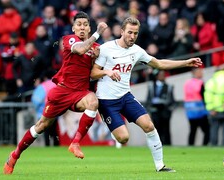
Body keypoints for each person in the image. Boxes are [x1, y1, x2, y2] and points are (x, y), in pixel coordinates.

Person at [90, 16, 202, 172]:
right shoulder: (106, 48)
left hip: (125, 96)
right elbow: (93, 73)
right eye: (129, 32)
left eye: (135, 33)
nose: (132, 36)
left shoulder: (137, 51)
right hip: (107, 100)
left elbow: (159, 63)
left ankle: (160, 165)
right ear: (122, 31)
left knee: (149, 125)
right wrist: (107, 72)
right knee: (123, 138)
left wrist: (185, 62)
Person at [3, 11, 108, 175]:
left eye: (85, 25)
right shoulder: (69, 39)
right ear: (73, 28)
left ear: (88, 28)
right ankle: (15, 155)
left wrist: (98, 61)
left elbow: (94, 72)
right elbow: (80, 50)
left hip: (80, 92)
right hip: (61, 92)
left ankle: (75, 143)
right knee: (41, 126)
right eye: (79, 24)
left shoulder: (97, 48)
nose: (82, 27)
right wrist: (98, 33)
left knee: (93, 101)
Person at [145, 70, 176, 145]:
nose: (162, 76)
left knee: (166, 130)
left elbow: (172, 100)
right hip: (155, 111)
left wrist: (169, 110)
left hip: (165, 111)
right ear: (157, 76)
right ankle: (157, 145)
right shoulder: (152, 87)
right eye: (160, 75)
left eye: (163, 75)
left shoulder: (169, 87)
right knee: (156, 130)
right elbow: (148, 99)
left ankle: (167, 145)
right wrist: (149, 110)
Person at [31, 68, 59, 146]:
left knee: (45, 130)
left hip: (43, 112)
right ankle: (56, 145)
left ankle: (47, 145)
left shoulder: (43, 86)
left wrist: (37, 109)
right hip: (55, 112)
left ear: (45, 77)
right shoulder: (57, 84)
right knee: (54, 131)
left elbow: (36, 100)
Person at [183, 67, 210, 146]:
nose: (202, 73)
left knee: (192, 130)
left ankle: (190, 146)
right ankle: (205, 146)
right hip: (200, 111)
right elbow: (204, 97)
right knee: (207, 130)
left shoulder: (187, 83)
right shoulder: (200, 83)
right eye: (200, 72)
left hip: (190, 111)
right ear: (195, 73)